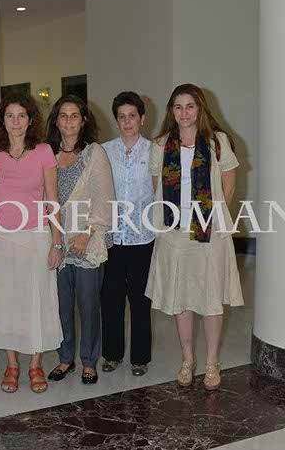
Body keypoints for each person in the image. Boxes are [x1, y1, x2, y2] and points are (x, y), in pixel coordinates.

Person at [146, 83, 243, 390]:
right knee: (181, 299)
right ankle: (188, 359)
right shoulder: (161, 144)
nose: (184, 112)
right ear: (171, 111)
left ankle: (212, 362)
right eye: (178, 107)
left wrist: (209, 217)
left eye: (190, 106)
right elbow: (156, 186)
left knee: (211, 298)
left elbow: (229, 186)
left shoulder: (217, 141)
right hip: (174, 233)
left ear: (200, 109)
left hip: (209, 232)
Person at [0, 93, 64, 394]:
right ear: (2, 120)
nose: (16, 122)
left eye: (22, 115)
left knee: (37, 301)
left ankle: (35, 365)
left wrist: (56, 242)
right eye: (10, 116)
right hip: (2, 238)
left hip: (36, 236)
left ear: (31, 120)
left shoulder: (44, 151)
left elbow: (52, 200)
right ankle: (12, 365)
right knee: (7, 302)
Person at [45, 95, 113, 386]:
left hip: (87, 242)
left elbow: (105, 198)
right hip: (57, 241)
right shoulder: (48, 153)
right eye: (63, 115)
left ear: (84, 120)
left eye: (75, 115)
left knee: (88, 305)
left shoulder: (94, 153)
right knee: (61, 306)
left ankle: (88, 361)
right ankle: (65, 358)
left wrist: (87, 233)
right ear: (56, 121)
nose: (69, 121)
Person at [100, 91, 155, 377]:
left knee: (140, 299)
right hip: (112, 238)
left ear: (142, 118)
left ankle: (140, 358)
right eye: (121, 117)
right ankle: (112, 354)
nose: (127, 121)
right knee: (111, 298)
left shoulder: (154, 151)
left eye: (132, 116)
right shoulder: (104, 151)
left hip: (143, 237)